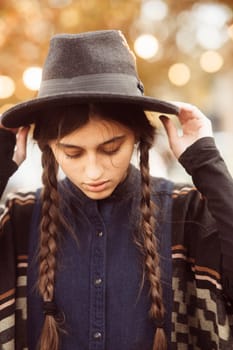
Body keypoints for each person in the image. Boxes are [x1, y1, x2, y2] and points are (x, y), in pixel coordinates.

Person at [0, 30, 233, 350]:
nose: (94, 171)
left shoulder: (185, 210)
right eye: (73, 153)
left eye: (111, 149)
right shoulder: (19, 217)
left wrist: (207, 164)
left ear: (138, 137)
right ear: (49, 148)